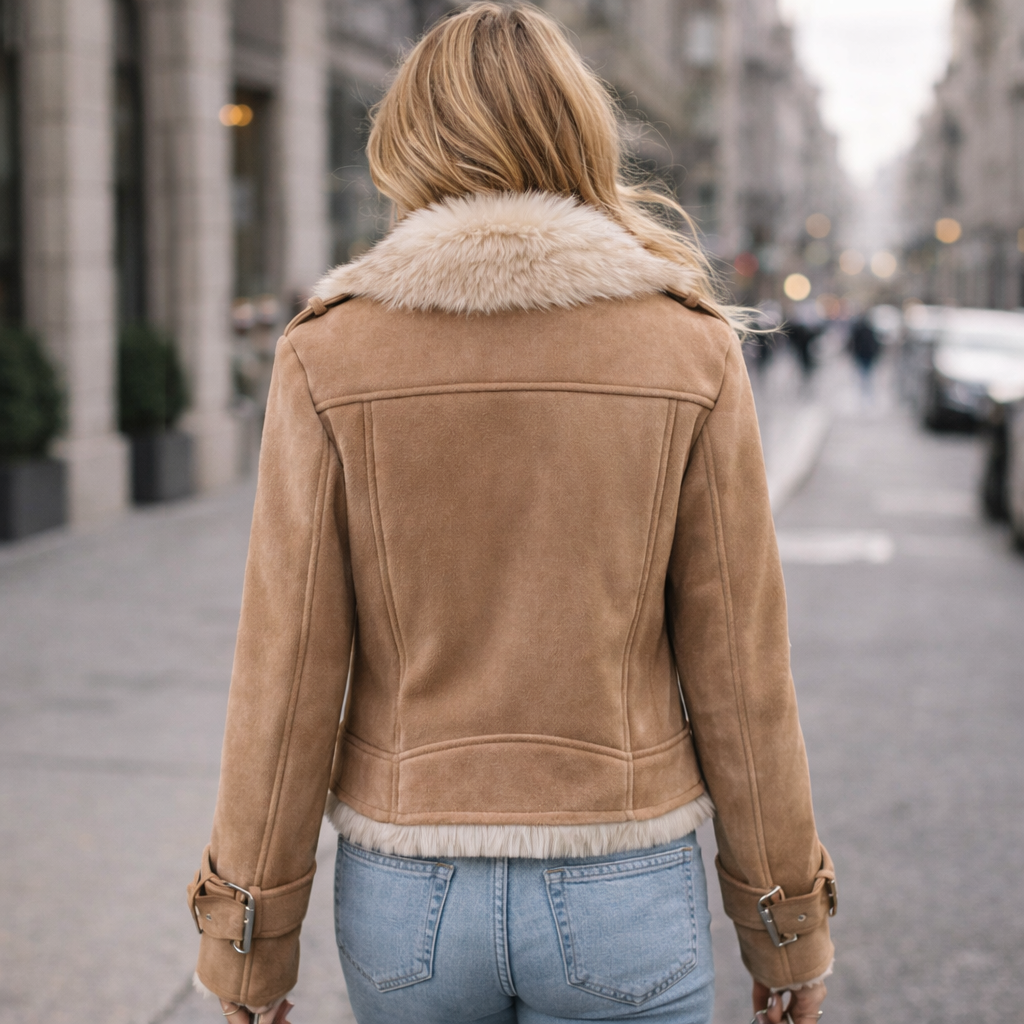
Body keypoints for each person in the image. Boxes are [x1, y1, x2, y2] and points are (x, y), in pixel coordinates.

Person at [185, 6, 836, 1024]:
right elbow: (741, 673)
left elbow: (287, 668)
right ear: (580, 134)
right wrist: (785, 921)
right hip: (621, 874)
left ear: (409, 140)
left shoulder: (328, 352)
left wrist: (247, 942)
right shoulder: (688, 347)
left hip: (408, 891)